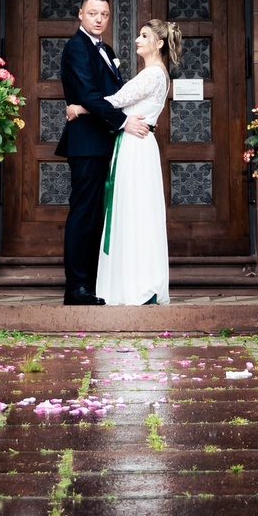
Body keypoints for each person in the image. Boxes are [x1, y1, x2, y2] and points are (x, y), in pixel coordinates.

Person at [57, 0, 149, 305]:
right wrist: (124, 122)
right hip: (86, 144)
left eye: (104, 15)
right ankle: (76, 287)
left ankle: (94, 282)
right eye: (93, 13)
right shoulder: (76, 49)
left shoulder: (105, 49)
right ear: (81, 14)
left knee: (99, 215)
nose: (99, 19)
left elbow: (113, 96)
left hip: (105, 141)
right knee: (84, 213)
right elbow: (89, 95)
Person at [78, 19, 173, 307]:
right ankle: (140, 281)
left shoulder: (153, 75)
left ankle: (138, 285)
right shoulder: (156, 74)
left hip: (135, 146)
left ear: (159, 43)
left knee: (134, 210)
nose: (136, 40)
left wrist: (78, 107)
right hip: (138, 144)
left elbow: (115, 100)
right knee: (136, 210)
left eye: (144, 36)